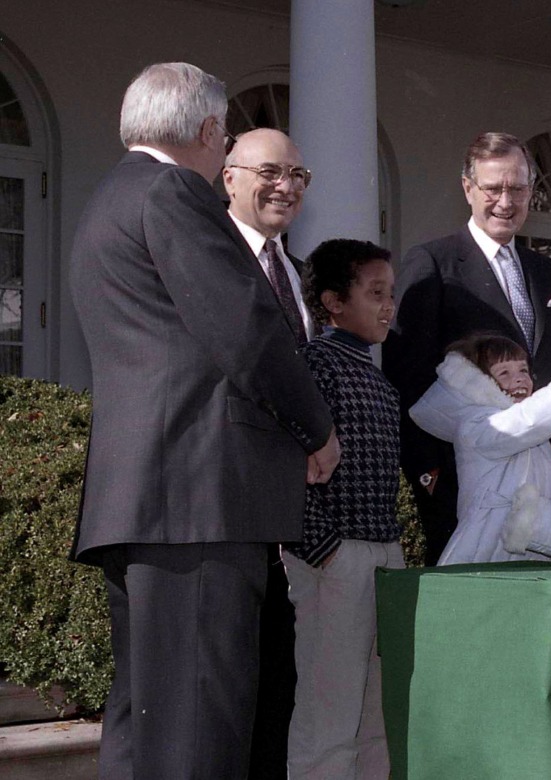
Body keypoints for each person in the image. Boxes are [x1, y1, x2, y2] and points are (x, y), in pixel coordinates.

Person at [68, 62, 338, 779]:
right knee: (198, 730)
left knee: (145, 729)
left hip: (145, 501)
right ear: (210, 129)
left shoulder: (109, 199)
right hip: (198, 499)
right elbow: (247, 330)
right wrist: (316, 429)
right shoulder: (173, 193)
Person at [382, 132, 551, 565]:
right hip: (468, 482)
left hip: (547, 479)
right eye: (493, 189)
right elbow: (407, 374)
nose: (505, 202)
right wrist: (429, 474)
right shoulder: (433, 262)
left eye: (518, 188)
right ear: (468, 189)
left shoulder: (546, 270)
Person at [283, 238, 405, 779]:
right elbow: (289, 461)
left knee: (379, 711)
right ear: (333, 302)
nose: (388, 305)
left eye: (391, 293)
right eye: (375, 293)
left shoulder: (378, 379)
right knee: (329, 711)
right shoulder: (313, 364)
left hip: (384, 552)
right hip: (334, 560)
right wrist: (322, 549)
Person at [223, 126, 314, 780]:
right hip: (224, 508)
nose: (285, 186)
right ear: (229, 176)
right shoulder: (210, 258)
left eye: (298, 176)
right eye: (270, 172)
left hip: (293, 517)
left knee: (279, 685)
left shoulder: (299, 273)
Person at [409, 334, 551, 566]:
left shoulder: (531, 430)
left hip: (536, 555)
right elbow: (531, 420)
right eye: (504, 373)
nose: (519, 380)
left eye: (523, 371)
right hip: (486, 554)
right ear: (480, 383)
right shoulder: (478, 425)